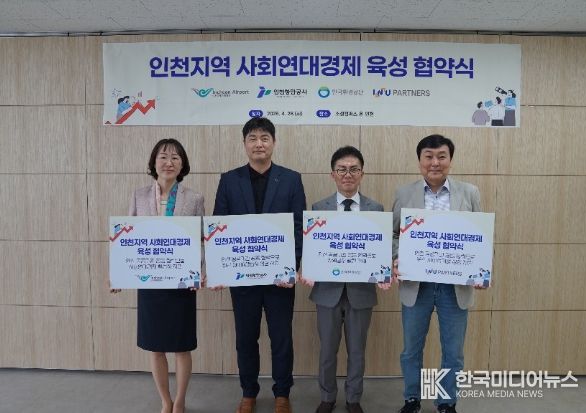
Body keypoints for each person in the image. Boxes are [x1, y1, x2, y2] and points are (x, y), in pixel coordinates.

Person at [212, 117, 306, 413]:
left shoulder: (291, 179)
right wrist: (220, 267)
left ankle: (282, 393)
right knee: (245, 338)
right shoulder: (229, 180)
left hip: (280, 279)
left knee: (281, 338)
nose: (259, 144)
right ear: (244, 144)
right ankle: (248, 392)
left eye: (265, 138)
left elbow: (299, 226)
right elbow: (219, 227)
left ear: (274, 142)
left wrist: (292, 267)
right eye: (252, 138)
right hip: (242, 278)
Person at [390, 134, 487, 413]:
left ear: (450, 160)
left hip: (454, 286)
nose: (435, 162)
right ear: (420, 161)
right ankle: (412, 399)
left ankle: (446, 402)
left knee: (453, 351)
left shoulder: (469, 192)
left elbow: (480, 236)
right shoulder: (404, 193)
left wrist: (481, 269)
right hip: (416, 285)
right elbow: (393, 233)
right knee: (411, 349)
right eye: (429, 156)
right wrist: (396, 258)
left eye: (441, 156)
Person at [111, 138, 204, 413]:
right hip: (149, 282)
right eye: (163, 157)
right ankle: (165, 400)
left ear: (183, 165)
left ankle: (180, 401)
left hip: (182, 283)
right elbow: (127, 238)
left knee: (182, 346)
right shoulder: (139, 196)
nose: (169, 162)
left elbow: (201, 240)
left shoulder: (195, 198)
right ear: (154, 162)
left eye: (175, 158)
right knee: (156, 347)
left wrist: (201, 271)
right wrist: (117, 273)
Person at [300, 146, 387, 413]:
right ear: (332, 174)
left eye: (353, 169)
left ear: (362, 174)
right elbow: (313, 248)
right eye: (342, 169)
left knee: (357, 351)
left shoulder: (376, 209)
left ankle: (353, 399)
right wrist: (308, 267)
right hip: (327, 292)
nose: (347, 174)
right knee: (327, 350)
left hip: (361, 292)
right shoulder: (319, 209)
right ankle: (327, 397)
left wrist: (383, 271)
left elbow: (380, 249)